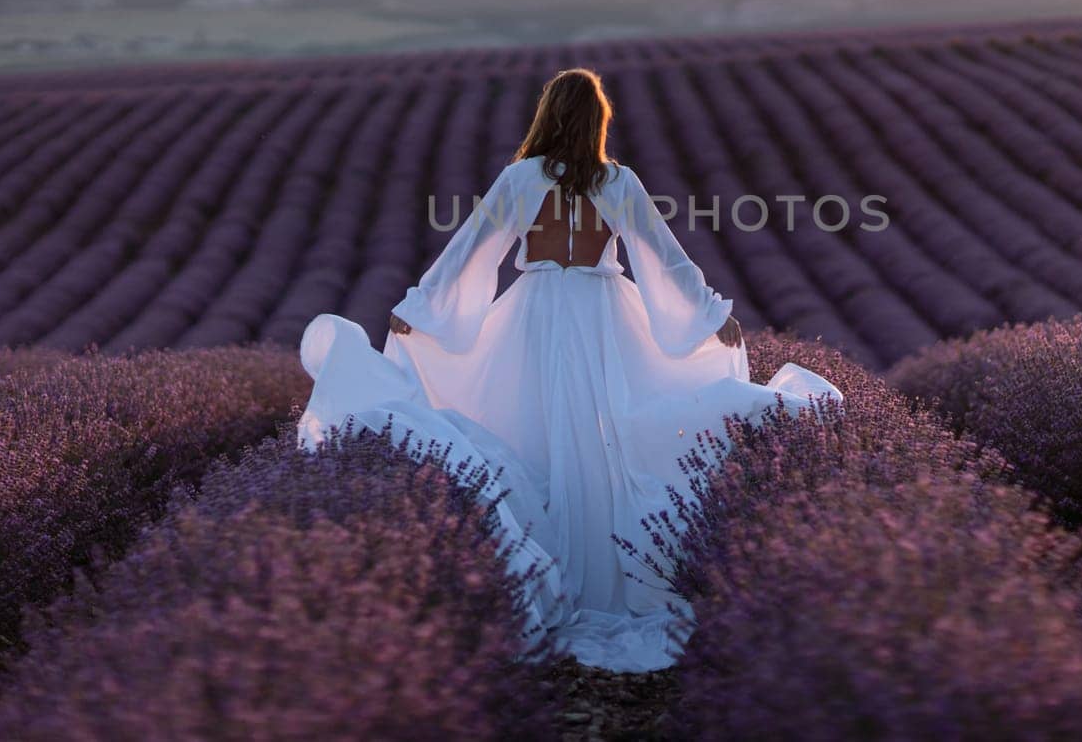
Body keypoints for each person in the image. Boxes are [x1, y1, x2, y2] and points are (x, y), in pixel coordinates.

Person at [296, 67, 843, 672]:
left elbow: (471, 249)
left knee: (539, 429)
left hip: (536, 314)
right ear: (598, 121)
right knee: (603, 434)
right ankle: (612, 568)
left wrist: (419, 310)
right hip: (604, 311)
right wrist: (712, 316)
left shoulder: (519, 179)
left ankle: (555, 568)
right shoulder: (618, 181)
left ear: (547, 115)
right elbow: (665, 256)